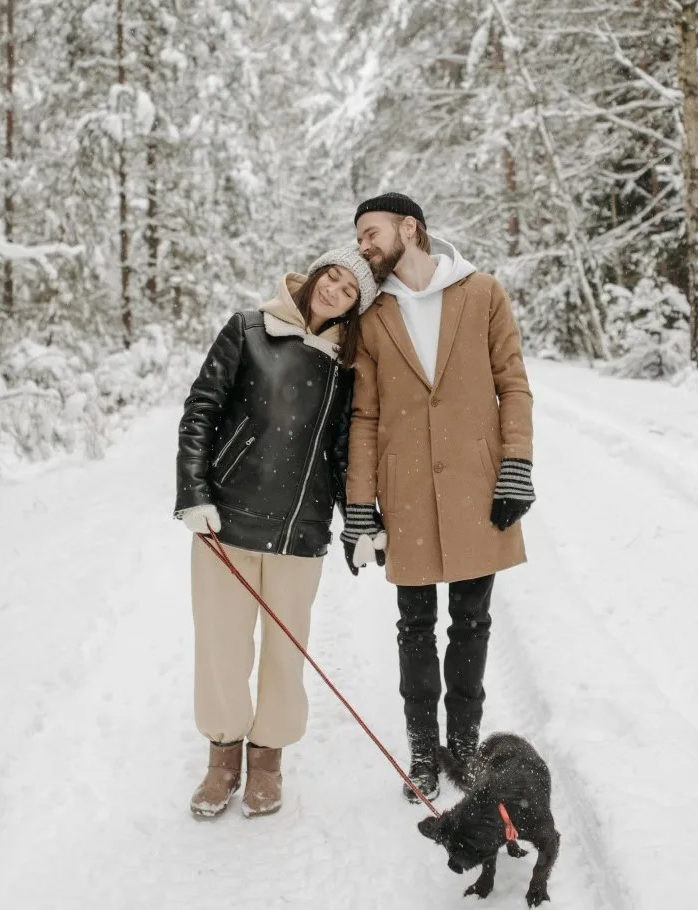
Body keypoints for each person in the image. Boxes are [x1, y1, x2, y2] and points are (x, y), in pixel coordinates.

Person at [340, 193, 536, 803]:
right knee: (414, 627)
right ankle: (424, 754)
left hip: (479, 488)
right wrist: (359, 507)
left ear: (410, 228)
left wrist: (516, 468)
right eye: (359, 238)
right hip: (407, 494)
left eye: (371, 234)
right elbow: (365, 416)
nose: (364, 247)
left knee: (472, 624)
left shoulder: (482, 295)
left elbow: (513, 384)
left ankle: (465, 749)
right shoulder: (373, 318)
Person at [174, 248, 379, 818]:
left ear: (355, 307)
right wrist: (193, 493)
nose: (334, 291)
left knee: (286, 653)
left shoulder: (345, 363)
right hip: (227, 523)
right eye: (331, 278)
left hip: (300, 530)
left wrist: (359, 520)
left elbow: (343, 453)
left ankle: (266, 760)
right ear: (314, 277)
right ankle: (221, 760)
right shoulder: (248, 328)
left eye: (348, 290)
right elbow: (201, 410)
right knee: (222, 645)